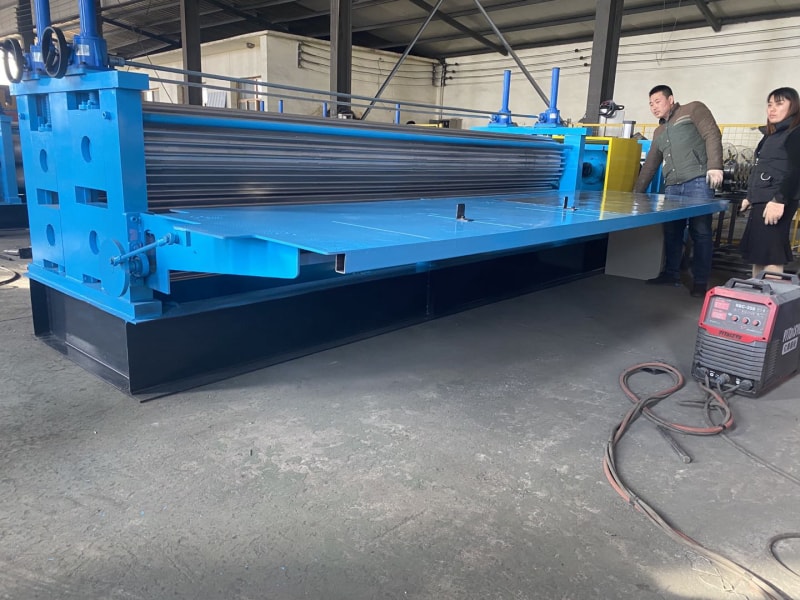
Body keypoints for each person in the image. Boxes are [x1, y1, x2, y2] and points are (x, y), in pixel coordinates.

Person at [634, 85, 724, 297]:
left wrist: (715, 166)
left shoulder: (693, 109)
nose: (654, 107)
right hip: (673, 185)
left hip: (698, 181)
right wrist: (636, 192)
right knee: (672, 231)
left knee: (700, 231)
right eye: (650, 104)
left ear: (671, 99)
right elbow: (651, 164)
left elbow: (712, 134)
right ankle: (671, 274)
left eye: (657, 101)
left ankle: (700, 282)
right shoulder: (659, 132)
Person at [739, 87, 800, 278]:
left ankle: (771, 295)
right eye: (770, 104)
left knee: (771, 254)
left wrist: (779, 200)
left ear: (793, 107)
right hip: (763, 198)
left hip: (775, 200)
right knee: (759, 254)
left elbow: (796, 170)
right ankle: (757, 292)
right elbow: (761, 167)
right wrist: (750, 196)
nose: (772, 109)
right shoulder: (772, 134)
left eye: (779, 104)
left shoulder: (795, 132)